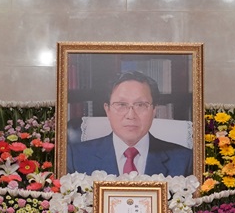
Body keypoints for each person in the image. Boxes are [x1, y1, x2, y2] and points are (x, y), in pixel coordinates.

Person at [66, 70, 194, 176]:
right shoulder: (76, 157)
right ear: (107, 110)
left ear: (154, 110)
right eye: (121, 105)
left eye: (140, 105)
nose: (131, 115)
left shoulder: (184, 160)